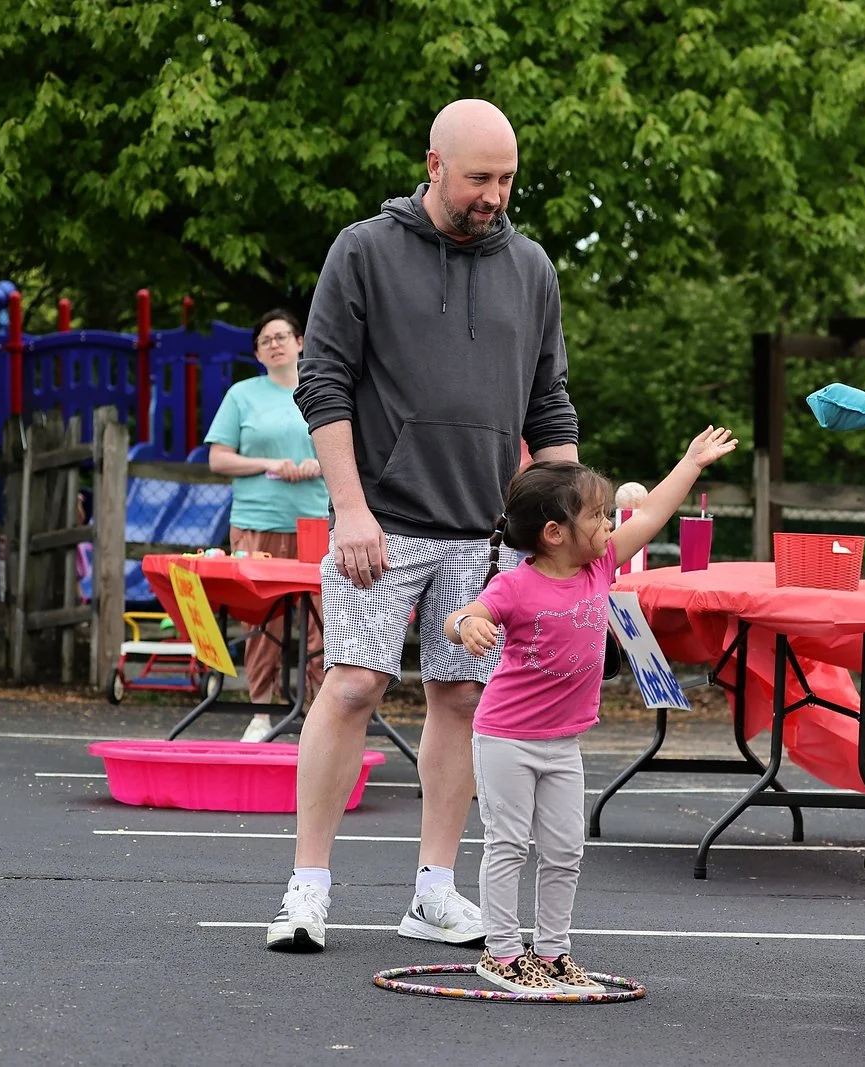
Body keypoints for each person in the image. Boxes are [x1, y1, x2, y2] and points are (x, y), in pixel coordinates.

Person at [268, 98, 580, 953]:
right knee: (356, 684)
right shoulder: (364, 249)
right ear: (434, 164)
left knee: (461, 695)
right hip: (384, 520)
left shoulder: (533, 267)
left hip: (485, 531)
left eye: (507, 179)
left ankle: (434, 892)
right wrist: (351, 509)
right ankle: (308, 886)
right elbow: (323, 382)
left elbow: (548, 400)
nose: (495, 196)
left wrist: (567, 530)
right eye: (480, 178)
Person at [444, 428, 737, 992]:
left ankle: (552, 953)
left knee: (564, 850)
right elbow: (460, 615)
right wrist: (469, 625)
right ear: (555, 533)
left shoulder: (600, 568)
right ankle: (501, 953)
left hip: (563, 742)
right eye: (600, 516)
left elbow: (650, 517)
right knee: (507, 844)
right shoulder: (514, 585)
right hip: (506, 738)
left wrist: (691, 462)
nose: (610, 526)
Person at [205, 310, 330, 742]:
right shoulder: (243, 395)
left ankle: (320, 715)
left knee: (323, 621)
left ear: (300, 343)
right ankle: (263, 710)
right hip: (256, 524)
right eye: (265, 340)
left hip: (316, 524)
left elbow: (355, 450)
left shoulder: (322, 390)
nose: (274, 344)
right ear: (258, 353)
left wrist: (322, 463)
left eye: (282, 336)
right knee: (262, 622)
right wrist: (268, 464)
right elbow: (218, 458)